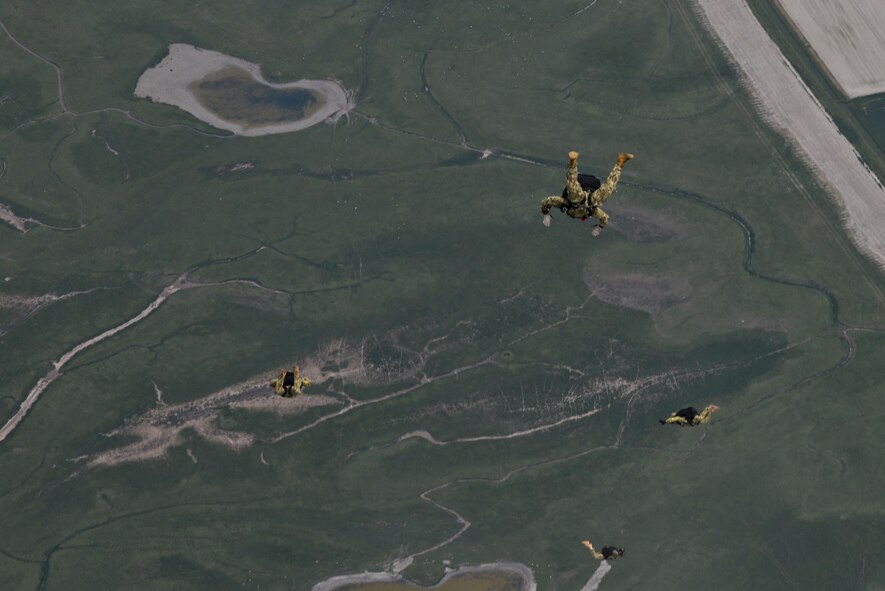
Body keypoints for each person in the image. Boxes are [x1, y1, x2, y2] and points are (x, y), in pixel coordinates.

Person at [541, 150, 634, 236]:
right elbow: (605, 218)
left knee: (573, 191)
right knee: (607, 190)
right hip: (589, 196)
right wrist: (600, 227)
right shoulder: (592, 211)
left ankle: (572, 163)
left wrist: (545, 213)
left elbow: (547, 201)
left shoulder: (565, 204)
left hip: (579, 195)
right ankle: (620, 163)